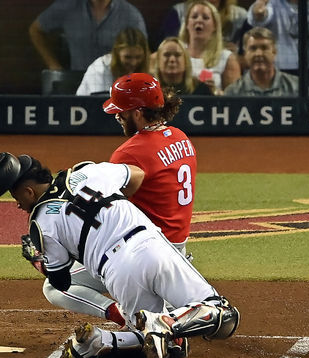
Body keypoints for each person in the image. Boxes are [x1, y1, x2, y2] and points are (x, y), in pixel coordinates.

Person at [0, 152, 240, 358]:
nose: (17, 204)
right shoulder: (86, 171)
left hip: (116, 273)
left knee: (169, 352)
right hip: (150, 245)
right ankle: (165, 323)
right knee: (223, 316)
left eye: (15, 196)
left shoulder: (40, 224)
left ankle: (101, 341)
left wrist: (37, 260)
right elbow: (136, 175)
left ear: (29, 192)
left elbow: (60, 280)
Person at [39, 73, 199, 334]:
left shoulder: (130, 151)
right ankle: (175, 302)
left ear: (137, 112)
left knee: (55, 286)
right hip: (177, 248)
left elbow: (106, 211)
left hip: (143, 251)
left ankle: (121, 314)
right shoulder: (181, 138)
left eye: (121, 111)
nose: (116, 116)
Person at [28, 0, 148, 72]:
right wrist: (53, 64)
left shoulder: (131, 15)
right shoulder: (67, 7)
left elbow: (144, 52)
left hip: (115, 84)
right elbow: (36, 29)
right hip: (76, 81)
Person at [179, 0, 242, 93]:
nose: (199, 20)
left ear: (215, 26)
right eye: (194, 17)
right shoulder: (177, 53)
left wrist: (215, 92)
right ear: (187, 24)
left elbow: (234, 99)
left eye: (205, 18)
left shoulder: (227, 58)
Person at [224, 27, 299, 96]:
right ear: (245, 54)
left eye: (264, 48)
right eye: (253, 48)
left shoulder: (296, 87)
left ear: (274, 52)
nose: (258, 54)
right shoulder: (233, 92)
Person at [76, 28, 150, 96]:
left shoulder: (147, 67)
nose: (133, 62)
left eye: (138, 57)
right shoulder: (100, 67)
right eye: (127, 57)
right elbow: (102, 104)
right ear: (117, 53)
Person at [160, 0, 247, 51]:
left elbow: (246, 56)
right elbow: (166, 49)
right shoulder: (179, 12)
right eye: (194, 17)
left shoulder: (239, 16)